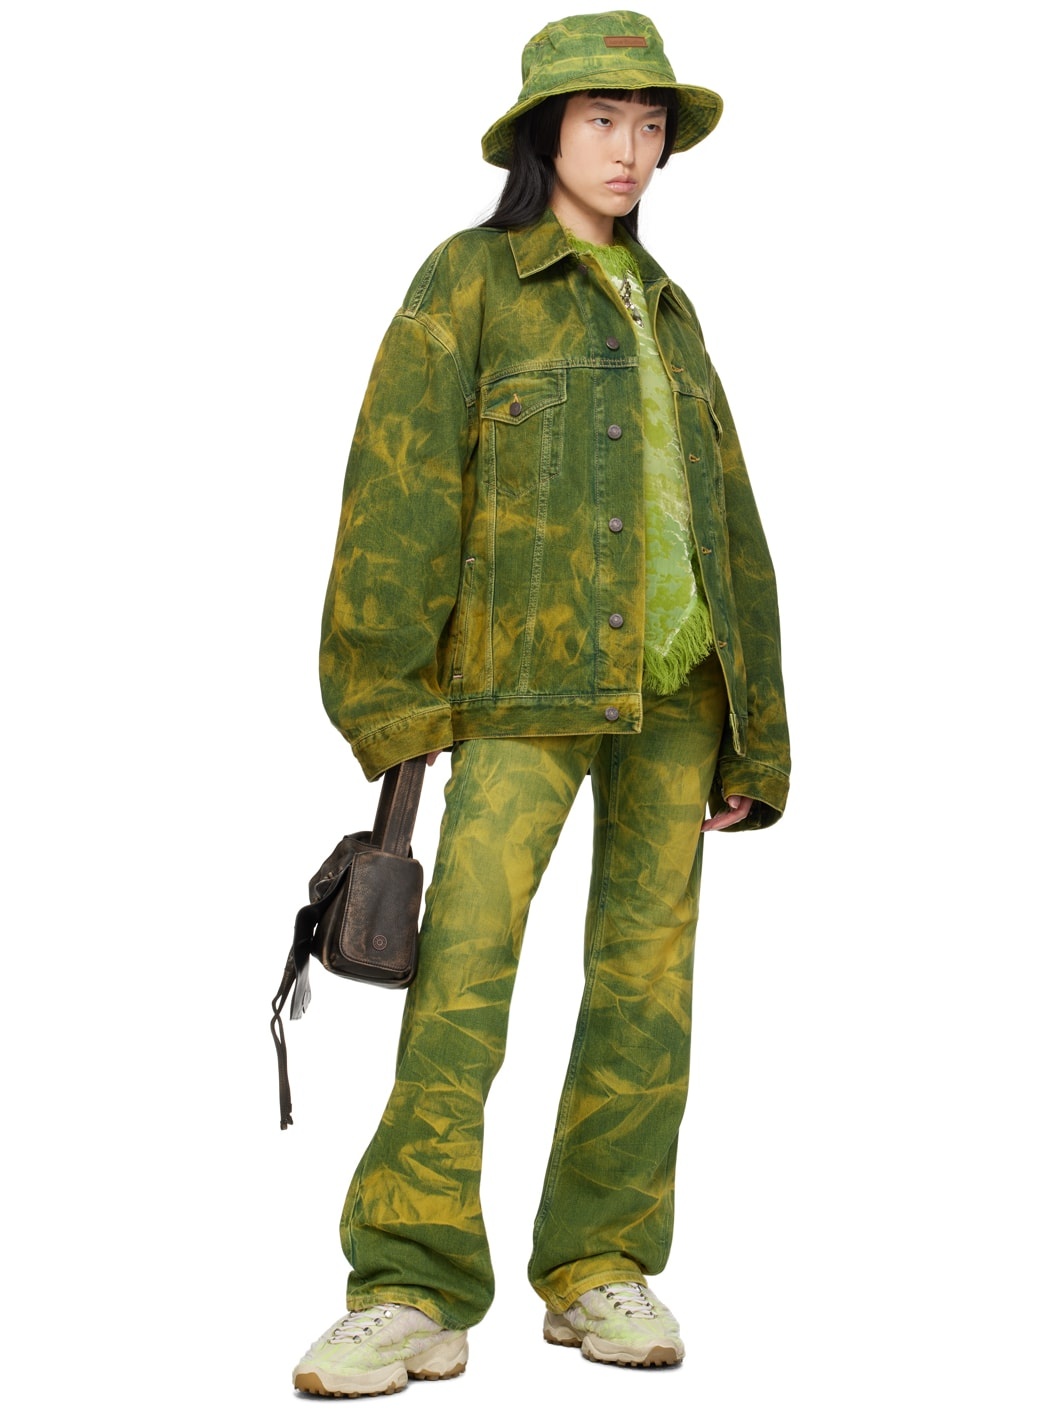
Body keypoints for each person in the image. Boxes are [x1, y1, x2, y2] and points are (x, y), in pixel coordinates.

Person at [293, 9, 790, 1398]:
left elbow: (728, 522)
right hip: (519, 682)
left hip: (678, 687)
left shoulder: (668, 307)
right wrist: (390, 697)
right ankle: (409, 1281)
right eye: (601, 121)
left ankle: (600, 1260)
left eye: (649, 126)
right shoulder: (468, 282)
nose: (629, 150)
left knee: (647, 985)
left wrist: (753, 729)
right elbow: (397, 488)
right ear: (543, 136)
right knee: (463, 973)